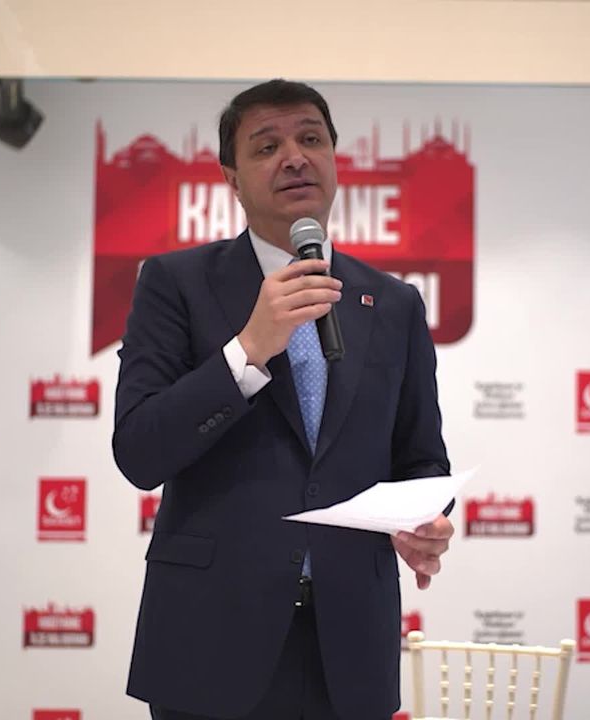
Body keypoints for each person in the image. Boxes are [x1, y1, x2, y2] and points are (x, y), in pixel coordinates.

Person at [112, 79, 453, 720]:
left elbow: (422, 457)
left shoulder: (394, 303)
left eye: (311, 139)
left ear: (335, 160)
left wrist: (424, 520)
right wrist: (247, 350)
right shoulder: (175, 283)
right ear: (232, 179)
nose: (295, 158)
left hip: (349, 646)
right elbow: (139, 450)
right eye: (267, 147)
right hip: (210, 637)